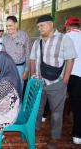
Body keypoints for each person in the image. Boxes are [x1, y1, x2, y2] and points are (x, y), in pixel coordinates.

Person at [30, 15, 77, 148]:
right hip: (39, 82)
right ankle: (36, 127)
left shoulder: (64, 39)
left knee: (56, 112)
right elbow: (32, 59)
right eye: (38, 26)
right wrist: (33, 76)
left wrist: (65, 80)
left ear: (50, 24)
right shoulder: (37, 42)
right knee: (37, 108)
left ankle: (55, 137)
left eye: (42, 26)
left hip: (56, 83)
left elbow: (70, 59)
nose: (39, 29)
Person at [64, 17, 81, 145]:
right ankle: (77, 134)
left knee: (63, 101)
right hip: (79, 76)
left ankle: (44, 119)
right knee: (77, 105)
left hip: (69, 74)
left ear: (68, 26)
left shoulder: (66, 37)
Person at [2, 16, 30, 89]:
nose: (8, 28)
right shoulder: (5, 38)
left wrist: (26, 71)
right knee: (9, 89)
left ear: (16, 24)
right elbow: (3, 55)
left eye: (10, 25)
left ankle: (20, 100)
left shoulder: (24, 35)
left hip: (20, 68)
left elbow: (28, 53)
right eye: (7, 26)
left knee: (20, 88)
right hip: (9, 68)